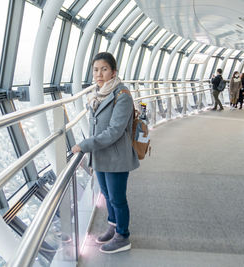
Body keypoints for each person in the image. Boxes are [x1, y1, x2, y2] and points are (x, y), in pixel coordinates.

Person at [71, 52, 139, 254]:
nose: (99, 74)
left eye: (104, 69)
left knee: (117, 198)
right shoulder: (99, 94)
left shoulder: (122, 95)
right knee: (108, 196)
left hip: (116, 157)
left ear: (113, 72)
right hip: (100, 155)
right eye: (96, 70)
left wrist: (85, 145)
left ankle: (123, 236)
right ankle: (113, 226)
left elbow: (115, 131)